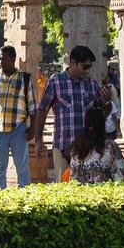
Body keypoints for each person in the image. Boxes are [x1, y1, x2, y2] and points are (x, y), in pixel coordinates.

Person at [28, 45, 112, 181]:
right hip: (63, 145)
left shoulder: (92, 85)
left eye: (89, 67)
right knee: (63, 188)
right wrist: (38, 140)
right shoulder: (56, 82)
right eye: (85, 67)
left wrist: (107, 102)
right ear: (73, 63)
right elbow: (42, 110)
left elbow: (102, 116)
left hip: (88, 148)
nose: (87, 70)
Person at [0, 45, 36, 188]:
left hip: (19, 129)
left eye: (4, 59)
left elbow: (33, 107)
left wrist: (32, 129)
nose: (1, 62)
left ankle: (24, 197)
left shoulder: (25, 79)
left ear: (13, 59)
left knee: (22, 167)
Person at [67, 104, 124, 184]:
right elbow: (123, 177)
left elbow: (73, 178)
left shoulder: (76, 147)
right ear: (102, 125)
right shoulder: (110, 146)